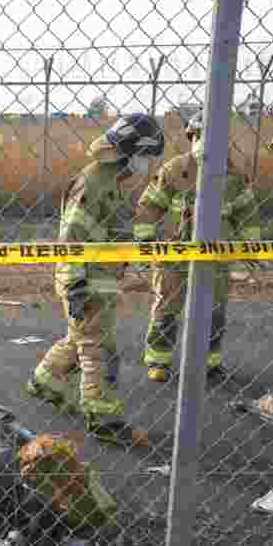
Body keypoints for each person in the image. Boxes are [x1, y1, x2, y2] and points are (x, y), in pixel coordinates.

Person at [26, 113, 165, 446]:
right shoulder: (94, 183)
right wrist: (76, 285)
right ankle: (104, 419)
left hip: (96, 277)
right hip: (85, 279)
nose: (147, 164)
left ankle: (46, 382)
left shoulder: (109, 180)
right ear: (131, 151)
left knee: (83, 337)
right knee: (99, 349)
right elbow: (72, 236)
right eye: (146, 156)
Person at [133, 111, 262, 384]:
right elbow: (149, 206)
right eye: (201, 136)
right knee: (167, 309)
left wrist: (251, 246)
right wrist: (145, 243)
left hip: (216, 259)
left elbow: (247, 214)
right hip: (174, 257)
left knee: (214, 312)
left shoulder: (234, 176)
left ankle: (209, 364)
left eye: (214, 137)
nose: (206, 142)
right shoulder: (174, 170)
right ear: (191, 137)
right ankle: (159, 361)